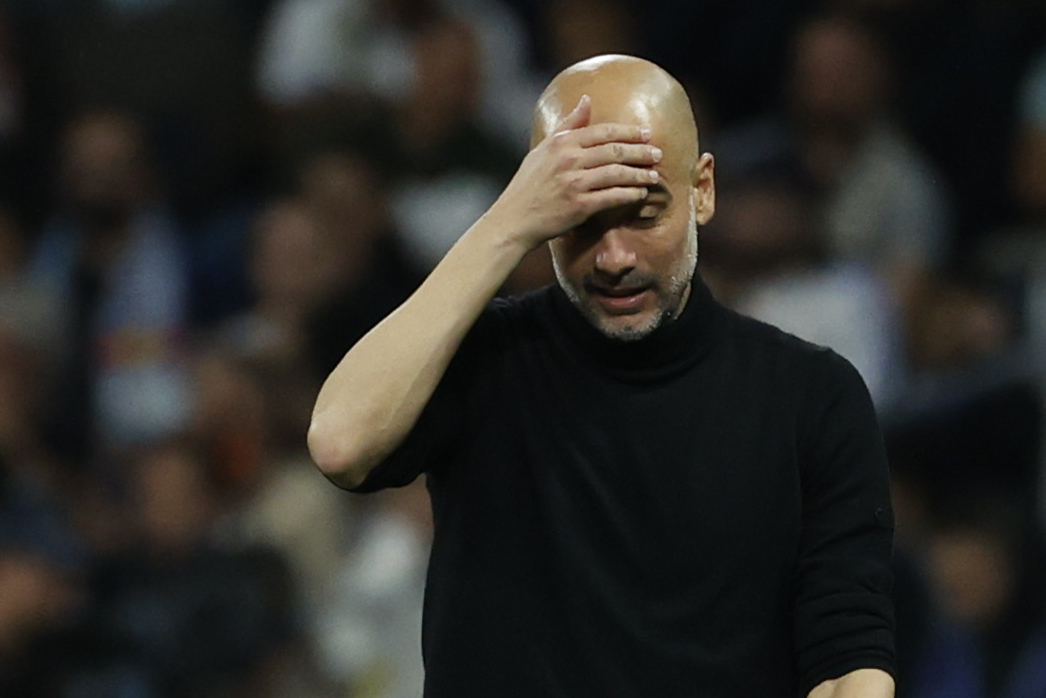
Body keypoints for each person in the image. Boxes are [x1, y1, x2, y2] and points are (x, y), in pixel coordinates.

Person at [308, 54, 896, 697]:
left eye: (643, 214)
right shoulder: (483, 362)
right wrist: (505, 226)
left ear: (703, 190)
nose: (615, 258)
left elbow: (847, 663)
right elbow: (342, 444)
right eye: (581, 220)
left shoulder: (811, 396)